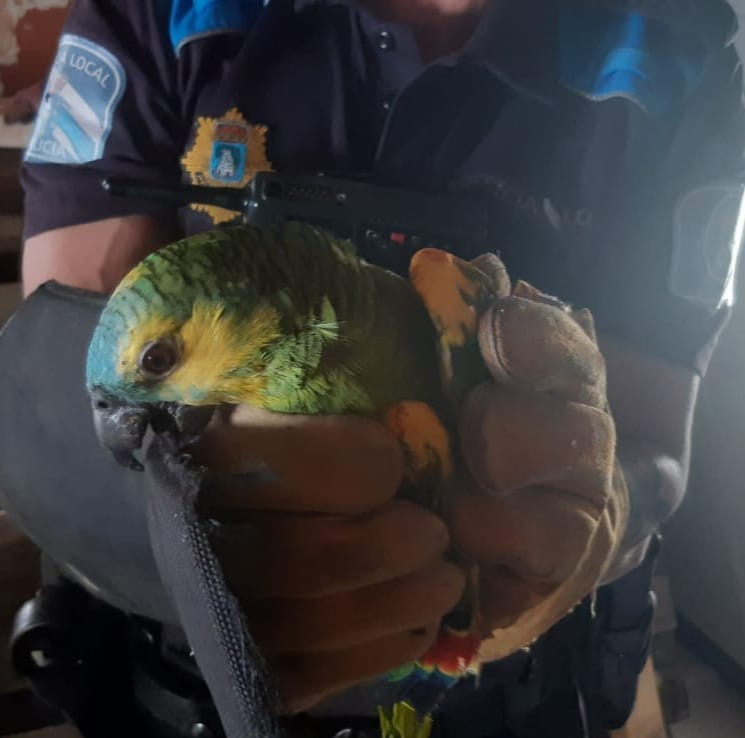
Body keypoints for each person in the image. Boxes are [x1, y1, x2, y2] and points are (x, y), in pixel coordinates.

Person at [5, 0, 745, 736]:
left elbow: (655, 452)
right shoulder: (149, 10)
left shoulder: (678, 44)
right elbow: (70, 402)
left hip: (516, 689)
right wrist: (192, 555)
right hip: (191, 686)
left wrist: (591, 515)